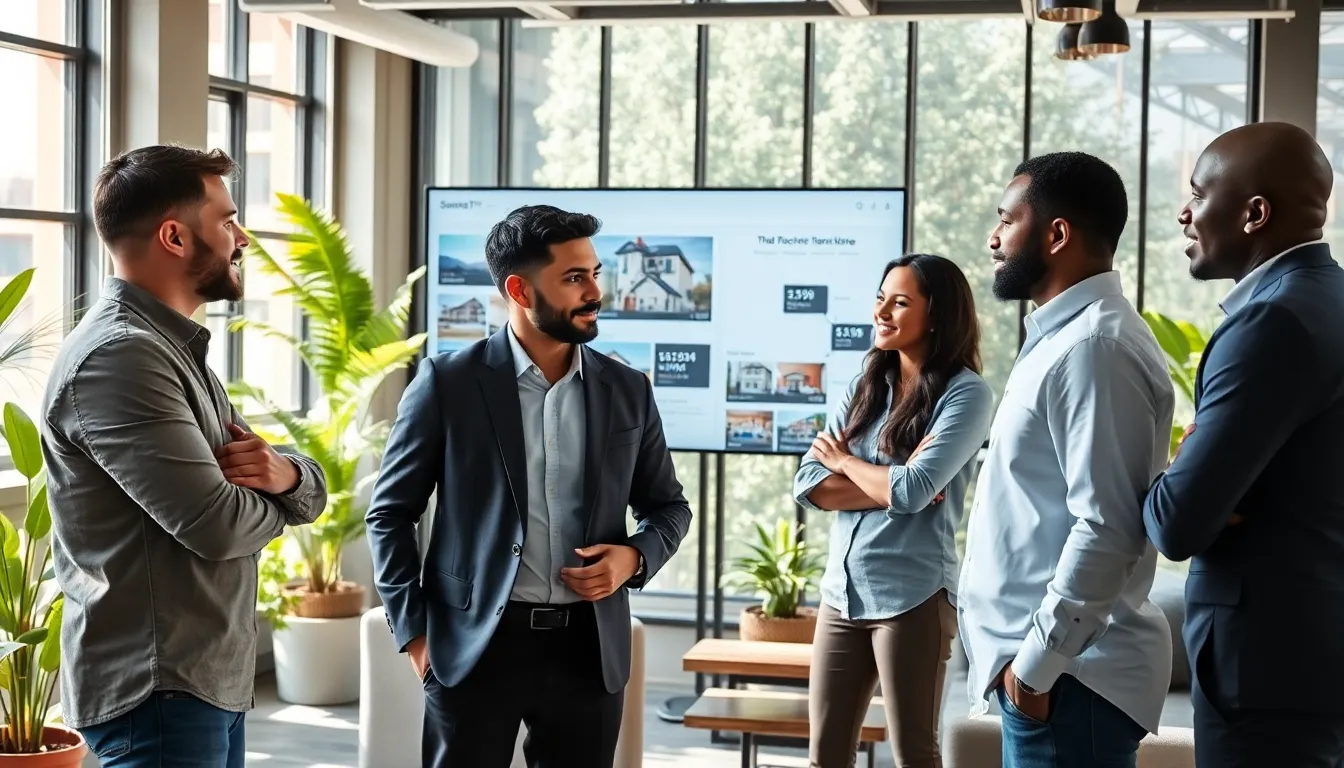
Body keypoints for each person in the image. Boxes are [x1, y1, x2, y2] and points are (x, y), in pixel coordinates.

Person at [365, 204, 692, 768]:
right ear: (519, 289)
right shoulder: (448, 383)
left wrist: (633, 559)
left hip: (588, 652)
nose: (595, 291)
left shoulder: (628, 389)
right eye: (574, 278)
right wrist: (416, 636)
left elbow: (669, 507)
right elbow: (390, 514)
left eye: (594, 273)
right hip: (475, 647)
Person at [39, 145, 328, 767]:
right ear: (174, 236)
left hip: (201, 680)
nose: (241, 236)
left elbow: (295, 482)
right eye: (226, 220)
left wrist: (286, 475)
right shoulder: (122, 358)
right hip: (159, 688)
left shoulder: (172, 349)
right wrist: (282, 495)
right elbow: (217, 526)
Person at [957, 151, 1174, 768]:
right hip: (1058, 682)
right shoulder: (1063, 338)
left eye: (1006, 220)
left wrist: (1035, 673)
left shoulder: (1096, 347)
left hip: (1070, 682)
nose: (992, 238)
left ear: (1056, 234)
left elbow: (1108, 525)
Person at [1142, 122, 1344, 768]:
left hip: (1264, 675)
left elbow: (1178, 521)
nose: (1183, 212)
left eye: (1199, 194)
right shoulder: (1331, 299)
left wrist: (1171, 473)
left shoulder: (1271, 321)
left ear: (1255, 213)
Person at [794, 253, 993, 768]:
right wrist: (892, 485)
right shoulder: (866, 384)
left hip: (913, 599)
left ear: (938, 315)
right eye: (880, 298)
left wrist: (845, 462)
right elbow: (811, 485)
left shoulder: (966, 395)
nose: (882, 311)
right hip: (841, 596)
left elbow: (910, 490)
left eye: (900, 302)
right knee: (825, 755)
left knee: (914, 755)